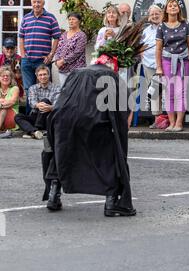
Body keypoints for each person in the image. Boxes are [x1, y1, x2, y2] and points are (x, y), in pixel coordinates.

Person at [41, 19, 144, 217]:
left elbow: (62, 99)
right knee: (111, 154)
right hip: (95, 123)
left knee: (62, 152)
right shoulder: (113, 78)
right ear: (117, 63)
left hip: (64, 119)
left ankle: (54, 194)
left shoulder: (77, 72)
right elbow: (120, 114)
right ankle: (112, 201)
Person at [156, 0, 189, 131]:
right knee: (169, 92)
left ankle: (179, 123)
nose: (173, 7)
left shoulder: (185, 24)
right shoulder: (161, 26)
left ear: (179, 9)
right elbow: (158, 49)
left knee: (181, 92)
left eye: (175, 5)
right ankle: (171, 122)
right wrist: (159, 67)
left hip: (183, 61)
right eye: (170, 6)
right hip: (167, 61)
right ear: (166, 10)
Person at [18, 0, 61, 110]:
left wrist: (51, 54)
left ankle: (46, 118)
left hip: (43, 62)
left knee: (46, 89)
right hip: (27, 61)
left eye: (39, 2)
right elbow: (21, 37)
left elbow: (57, 37)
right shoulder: (26, 18)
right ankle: (30, 117)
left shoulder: (51, 18)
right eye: (34, 2)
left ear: (43, 3)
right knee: (28, 89)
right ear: (31, 3)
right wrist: (23, 55)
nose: (36, 4)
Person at [15, 65, 60, 139]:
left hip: (48, 117)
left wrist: (50, 107)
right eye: (40, 75)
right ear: (37, 76)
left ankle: (34, 130)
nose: (42, 77)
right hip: (35, 116)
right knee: (18, 116)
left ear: (49, 75)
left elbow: (58, 104)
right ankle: (35, 132)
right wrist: (37, 105)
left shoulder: (57, 88)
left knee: (45, 101)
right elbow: (32, 102)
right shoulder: (33, 88)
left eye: (45, 74)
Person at [141, 5, 163, 128]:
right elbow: (141, 46)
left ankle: (170, 119)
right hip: (149, 65)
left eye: (157, 14)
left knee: (167, 91)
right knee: (154, 92)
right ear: (149, 16)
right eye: (152, 14)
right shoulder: (146, 31)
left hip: (164, 64)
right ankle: (158, 119)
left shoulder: (165, 28)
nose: (154, 16)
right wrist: (142, 55)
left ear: (161, 14)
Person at [54, 12, 87, 86]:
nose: (71, 21)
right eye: (69, 19)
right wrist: (57, 61)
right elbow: (58, 49)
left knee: (75, 93)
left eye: (73, 19)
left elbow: (77, 52)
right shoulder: (64, 34)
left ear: (79, 21)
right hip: (62, 69)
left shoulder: (81, 35)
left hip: (76, 70)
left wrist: (63, 61)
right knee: (64, 92)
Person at [0, 67, 19, 139]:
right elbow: (8, 102)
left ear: (11, 78)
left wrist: (1, 103)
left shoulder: (15, 88)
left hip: (11, 117)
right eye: (3, 75)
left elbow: (12, 102)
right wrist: (4, 102)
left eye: (7, 76)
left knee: (4, 110)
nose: (5, 77)